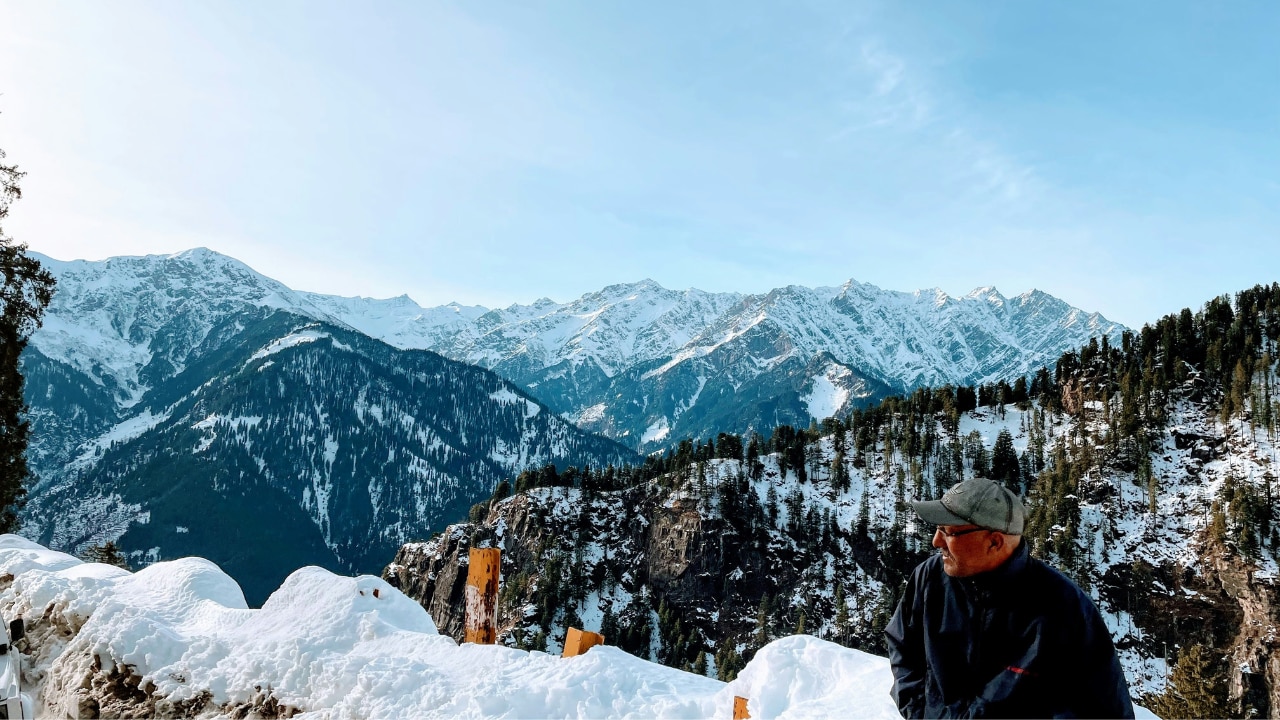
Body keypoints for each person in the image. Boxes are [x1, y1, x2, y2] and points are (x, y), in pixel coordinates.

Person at [884, 477, 1134, 719]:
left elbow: (1104, 709)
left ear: (994, 542)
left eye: (949, 532)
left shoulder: (1065, 608)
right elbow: (903, 645)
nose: (936, 541)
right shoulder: (928, 579)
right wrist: (920, 712)